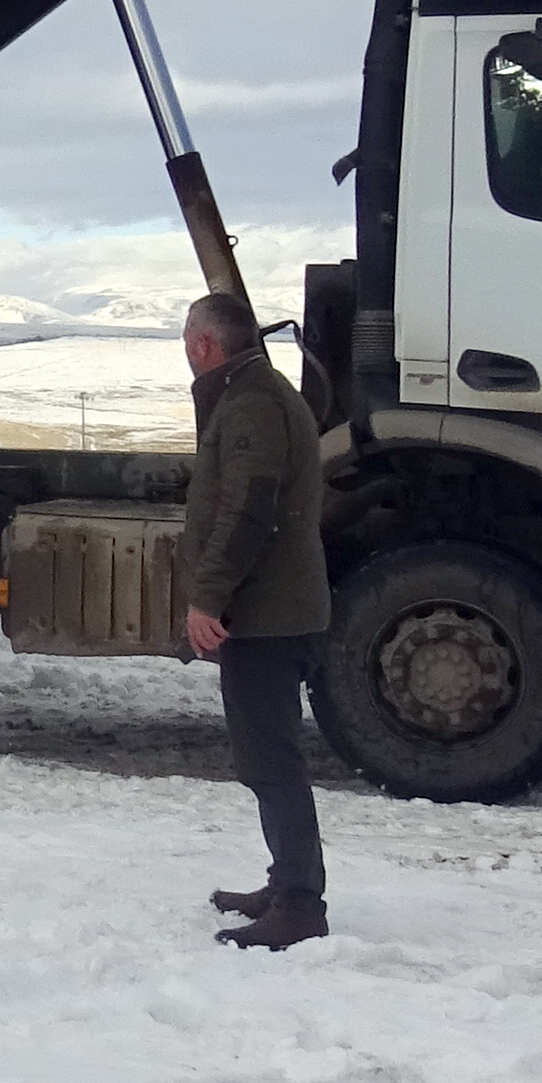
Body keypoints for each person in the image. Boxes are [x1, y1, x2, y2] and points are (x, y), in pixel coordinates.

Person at [179, 290, 332, 949]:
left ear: (204, 346)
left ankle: (299, 906)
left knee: (271, 762)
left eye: (188, 341)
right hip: (271, 611)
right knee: (265, 758)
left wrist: (207, 596)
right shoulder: (256, 394)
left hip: (267, 616)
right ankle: (284, 883)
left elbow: (249, 511)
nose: (186, 351)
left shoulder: (249, 405)